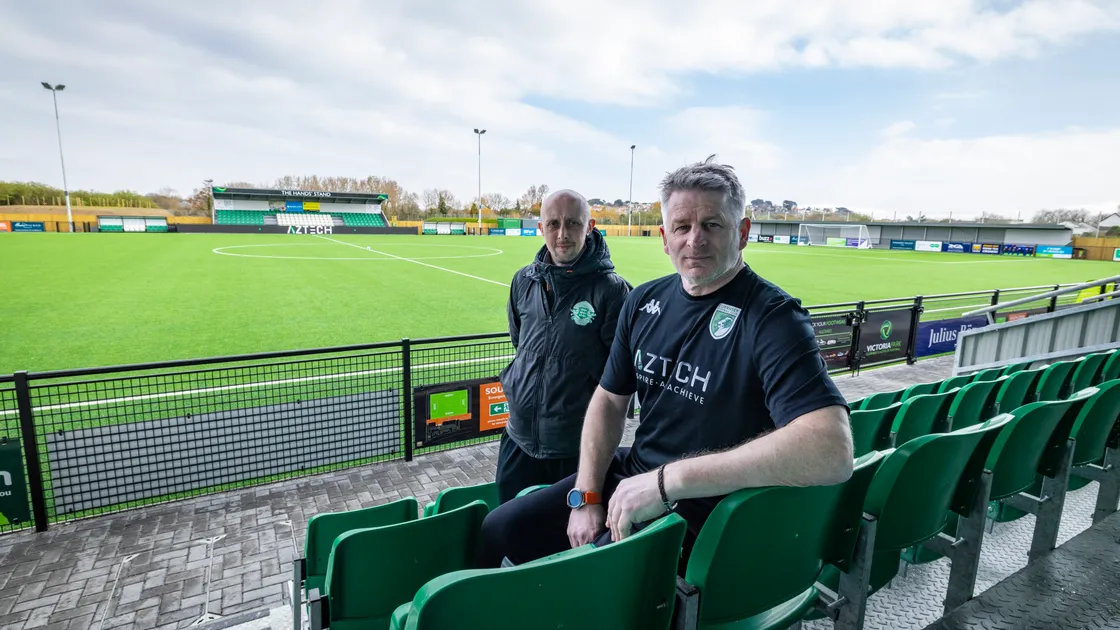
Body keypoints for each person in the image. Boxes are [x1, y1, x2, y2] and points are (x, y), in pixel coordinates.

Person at [477, 156, 854, 570]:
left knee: (585, 576)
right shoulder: (643, 302)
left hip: (708, 508)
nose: (695, 240)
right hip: (632, 475)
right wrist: (587, 494)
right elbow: (608, 399)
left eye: (712, 225)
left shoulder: (772, 317)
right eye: (682, 227)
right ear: (664, 236)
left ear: (742, 232)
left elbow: (832, 449)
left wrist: (667, 481)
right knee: (499, 530)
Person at [495, 189, 632, 504]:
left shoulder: (612, 292)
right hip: (518, 441)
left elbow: (619, 378)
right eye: (553, 224)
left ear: (590, 226)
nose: (562, 234)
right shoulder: (523, 282)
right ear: (541, 228)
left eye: (572, 223)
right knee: (508, 534)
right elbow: (521, 343)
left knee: (567, 543)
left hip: (576, 452)